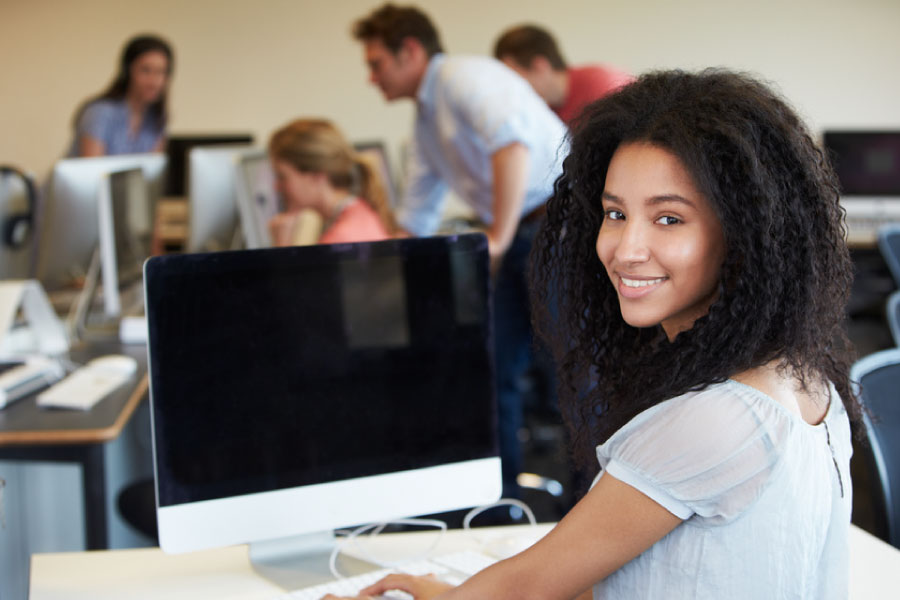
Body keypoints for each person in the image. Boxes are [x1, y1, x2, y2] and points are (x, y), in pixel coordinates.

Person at [324, 69, 862, 599]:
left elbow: (525, 588)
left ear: (745, 234)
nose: (625, 249)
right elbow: (643, 573)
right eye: (614, 212)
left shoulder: (717, 421)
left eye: (669, 219)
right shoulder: (806, 382)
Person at [352, 3, 568, 499]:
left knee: (566, 371)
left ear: (409, 51)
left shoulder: (464, 78)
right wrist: (371, 257)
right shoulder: (428, 120)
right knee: (497, 368)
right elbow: (417, 214)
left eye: (376, 63)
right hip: (524, 232)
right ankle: (503, 497)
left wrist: (496, 234)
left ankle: (584, 506)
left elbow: (512, 146)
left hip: (553, 223)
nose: (371, 77)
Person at [267, 119, 396, 245]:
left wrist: (283, 249)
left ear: (316, 175)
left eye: (282, 176)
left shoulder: (339, 242)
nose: (276, 187)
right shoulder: (360, 211)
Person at [494, 24, 632, 126]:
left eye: (514, 76)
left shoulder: (602, 84)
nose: (511, 85)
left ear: (539, 66)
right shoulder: (545, 111)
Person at [69, 34, 173, 157]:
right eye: (146, 71)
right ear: (127, 71)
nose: (154, 82)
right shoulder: (100, 112)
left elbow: (153, 169)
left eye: (161, 72)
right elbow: (92, 171)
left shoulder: (156, 118)